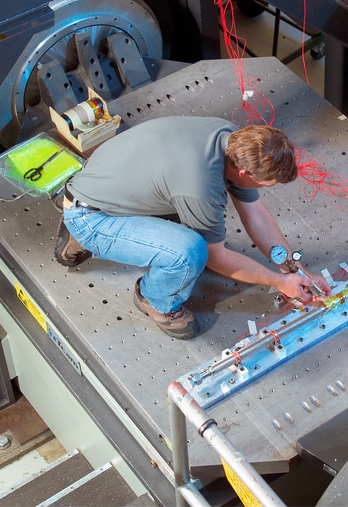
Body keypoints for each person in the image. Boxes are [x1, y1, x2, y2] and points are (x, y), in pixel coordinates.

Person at [54, 116, 329, 340]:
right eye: (266, 184)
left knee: (199, 231)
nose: (265, 191)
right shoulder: (199, 187)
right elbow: (216, 258)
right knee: (190, 253)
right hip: (90, 214)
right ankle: (154, 299)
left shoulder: (230, 138)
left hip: (105, 182)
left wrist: (296, 271)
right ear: (245, 174)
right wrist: (281, 283)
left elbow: (255, 215)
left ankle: (89, 228)